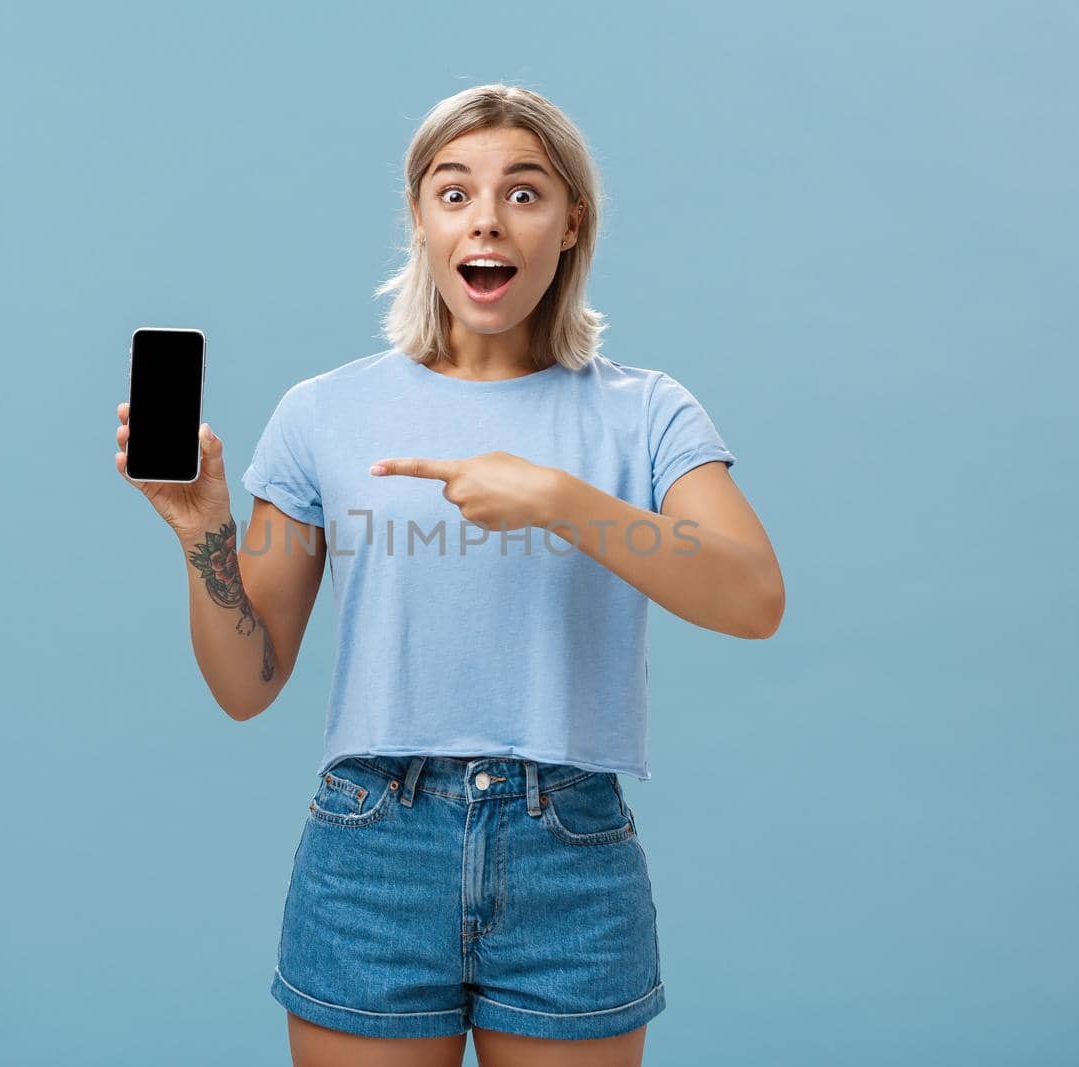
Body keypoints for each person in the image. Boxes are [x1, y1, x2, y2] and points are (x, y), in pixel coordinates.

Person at [116, 83, 784, 1067]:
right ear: (422, 223)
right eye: (453, 190)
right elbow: (246, 684)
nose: (486, 217)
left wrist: (557, 499)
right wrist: (204, 535)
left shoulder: (645, 412)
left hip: (569, 850)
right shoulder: (322, 413)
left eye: (523, 193)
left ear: (570, 224)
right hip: (374, 848)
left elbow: (752, 596)